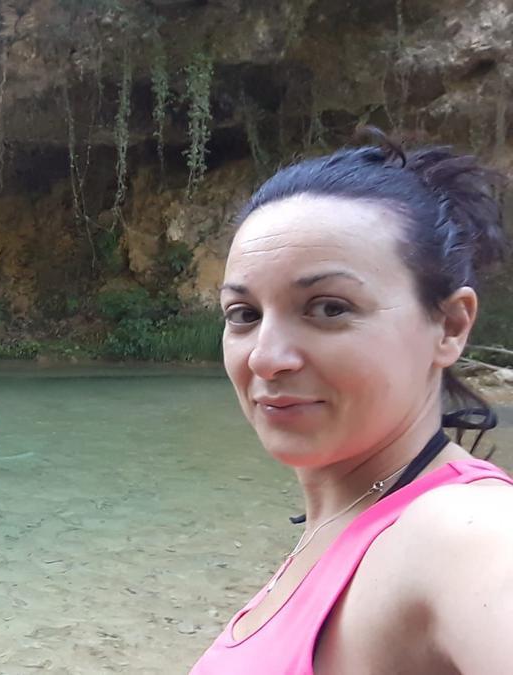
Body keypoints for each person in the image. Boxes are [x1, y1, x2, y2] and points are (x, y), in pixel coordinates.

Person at [191, 131, 513, 674]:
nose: (266, 358)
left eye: (329, 307)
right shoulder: (344, 521)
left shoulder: (462, 532)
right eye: (243, 314)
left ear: (451, 326)